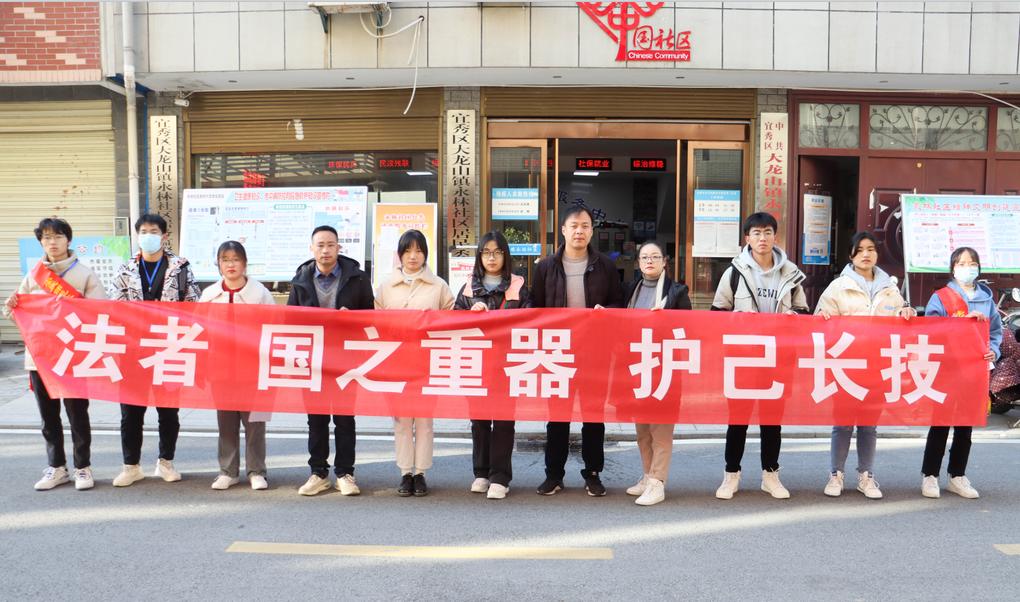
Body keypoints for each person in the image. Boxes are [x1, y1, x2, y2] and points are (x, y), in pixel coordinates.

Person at [711, 212, 809, 500]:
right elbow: (717, 314)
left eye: (767, 232)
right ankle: (731, 475)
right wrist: (739, 320)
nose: (762, 238)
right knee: (737, 419)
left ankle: (770, 475)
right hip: (744, 358)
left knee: (772, 420)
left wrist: (793, 317)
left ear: (775, 237)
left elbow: (804, 312)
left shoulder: (791, 273)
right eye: (756, 233)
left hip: (778, 358)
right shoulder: (734, 272)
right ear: (747, 238)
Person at [4, 218, 106, 491]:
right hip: (40, 357)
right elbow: (20, 316)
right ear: (40, 242)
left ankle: (83, 467)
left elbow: (101, 313)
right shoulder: (34, 275)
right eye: (47, 237)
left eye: (58, 236)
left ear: (68, 240)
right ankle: (57, 467)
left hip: (73, 357)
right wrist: (12, 306)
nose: (53, 242)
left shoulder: (84, 274)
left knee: (77, 415)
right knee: (48, 418)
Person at [530, 205, 624, 497]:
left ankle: (593, 474)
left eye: (585, 226)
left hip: (594, 351)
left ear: (591, 231)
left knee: (593, 416)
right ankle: (553, 475)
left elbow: (619, 304)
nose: (579, 231)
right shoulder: (546, 267)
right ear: (563, 230)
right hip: (557, 352)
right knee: (557, 417)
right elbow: (534, 307)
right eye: (574, 226)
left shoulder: (605, 266)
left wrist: (605, 311)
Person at [815, 232, 916, 500]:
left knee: (869, 425)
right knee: (843, 424)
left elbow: (901, 322)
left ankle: (866, 476)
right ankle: (836, 474)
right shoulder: (838, 287)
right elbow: (820, 322)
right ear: (851, 255)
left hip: (878, 366)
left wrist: (907, 313)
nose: (866, 255)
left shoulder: (890, 289)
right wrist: (822, 317)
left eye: (871, 249)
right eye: (859, 250)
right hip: (846, 365)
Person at [109, 214, 201, 487]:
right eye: (143, 231)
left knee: (168, 411)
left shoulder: (181, 268)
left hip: (169, 349)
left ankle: (166, 462)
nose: (148, 236)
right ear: (137, 236)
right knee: (131, 413)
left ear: (164, 236)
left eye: (153, 231)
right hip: (133, 351)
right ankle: (131, 466)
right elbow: (115, 307)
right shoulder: (126, 269)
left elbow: (194, 304)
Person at [288, 225, 375, 496]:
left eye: (330, 245)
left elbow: (371, 318)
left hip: (346, 359)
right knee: (316, 419)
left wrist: (353, 318)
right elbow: (290, 320)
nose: (325, 250)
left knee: (345, 418)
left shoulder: (357, 278)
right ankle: (318, 472)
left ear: (339, 247)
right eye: (320, 245)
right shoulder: (300, 279)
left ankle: (345, 473)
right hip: (313, 360)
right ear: (311, 248)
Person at [375, 229, 455, 497]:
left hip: (427, 363)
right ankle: (405, 472)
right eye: (407, 250)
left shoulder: (439, 286)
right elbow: (375, 323)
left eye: (418, 250)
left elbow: (452, 319)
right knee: (401, 421)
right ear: (399, 255)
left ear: (426, 254)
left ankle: (420, 472)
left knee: (424, 421)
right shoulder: (385, 287)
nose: (413, 256)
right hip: (395, 363)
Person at [453, 231, 530, 500]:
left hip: (508, 364)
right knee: (479, 421)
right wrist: (469, 315)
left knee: (504, 422)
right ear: (479, 256)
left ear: (505, 255)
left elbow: (531, 320)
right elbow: (453, 322)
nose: (492, 258)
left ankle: (500, 477)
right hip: (476, 363)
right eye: (486, 252)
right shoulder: (468, 287)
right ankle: (481, 473)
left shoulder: (519, 285)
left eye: (497, 252)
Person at [920, 246, 1001, 500]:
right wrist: (963, 321)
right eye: (962, 263)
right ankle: (930, 475)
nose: (968, 267)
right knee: (940, 423)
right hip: (946, 368)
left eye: (972, 263)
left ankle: (957, 475)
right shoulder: (941, 297)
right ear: (953, 268)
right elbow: (931, 330)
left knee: (966, 425)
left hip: (974, 371)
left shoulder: (987, 300)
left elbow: (996, 333)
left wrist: (993, 351)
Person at [199, 241, 276, 491]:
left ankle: (257, 471)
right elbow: (199, 331)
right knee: (226, 423)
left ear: (245, 263)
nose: (230, 264)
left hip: (255, 369)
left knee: (256, 423)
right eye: (225, 259)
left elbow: (274, 328)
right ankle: (227, 471)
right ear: (218, 264)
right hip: (220, 369)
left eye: (235, 259)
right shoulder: (209, 295)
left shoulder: (261, 294)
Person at [622, 240, 691, 506]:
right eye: (644, 257)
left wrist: (668, 319)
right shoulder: (631, 289)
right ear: (638, 262)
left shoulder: (677, 292)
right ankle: (648, 475)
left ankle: (658, 482)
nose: (649, 261)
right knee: (642, 429)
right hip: (638, 366)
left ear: (664, 261)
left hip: (666, 366)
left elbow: (689, 330)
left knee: (661, 429)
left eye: (655, 257)